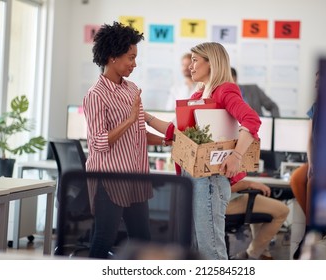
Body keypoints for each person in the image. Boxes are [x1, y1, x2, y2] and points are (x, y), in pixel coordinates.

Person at [146, 42, 261, 260]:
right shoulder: (199, 93)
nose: (190, 65)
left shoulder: (225, 91)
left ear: (211, 63)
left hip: (210, 180)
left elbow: (251, 120)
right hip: (192, 178)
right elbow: (175, 131)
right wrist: (147, 118)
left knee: (211, 252)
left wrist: (236, 156)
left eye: (195, 60)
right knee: (195, 250)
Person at [83, 21, 171, 259]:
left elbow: (137, 134)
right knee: (103, 239)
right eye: (130, 57)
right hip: (109, 179)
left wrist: (166, 142)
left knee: (143, 240)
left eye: (135, 57)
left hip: (135, 176)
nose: (134, 63)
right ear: (112, 57)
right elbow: (99, 143)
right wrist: (130, 119)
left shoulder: (132, 89)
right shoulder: (95, 95)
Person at [290, 71, 326, 259]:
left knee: (312, 182)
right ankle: (317, 226)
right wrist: (312, 162)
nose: (316, 85)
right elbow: (310, 141)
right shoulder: (316, 107)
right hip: (318, 159)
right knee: (296, 178)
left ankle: (309, 233)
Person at [226, 178, 289, 260]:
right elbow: (220, 187)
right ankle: (252, 254)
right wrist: (248, 184)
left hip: (225, 199)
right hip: (224, 202)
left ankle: (263, 253)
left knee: (260, 206)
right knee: (283, 211)